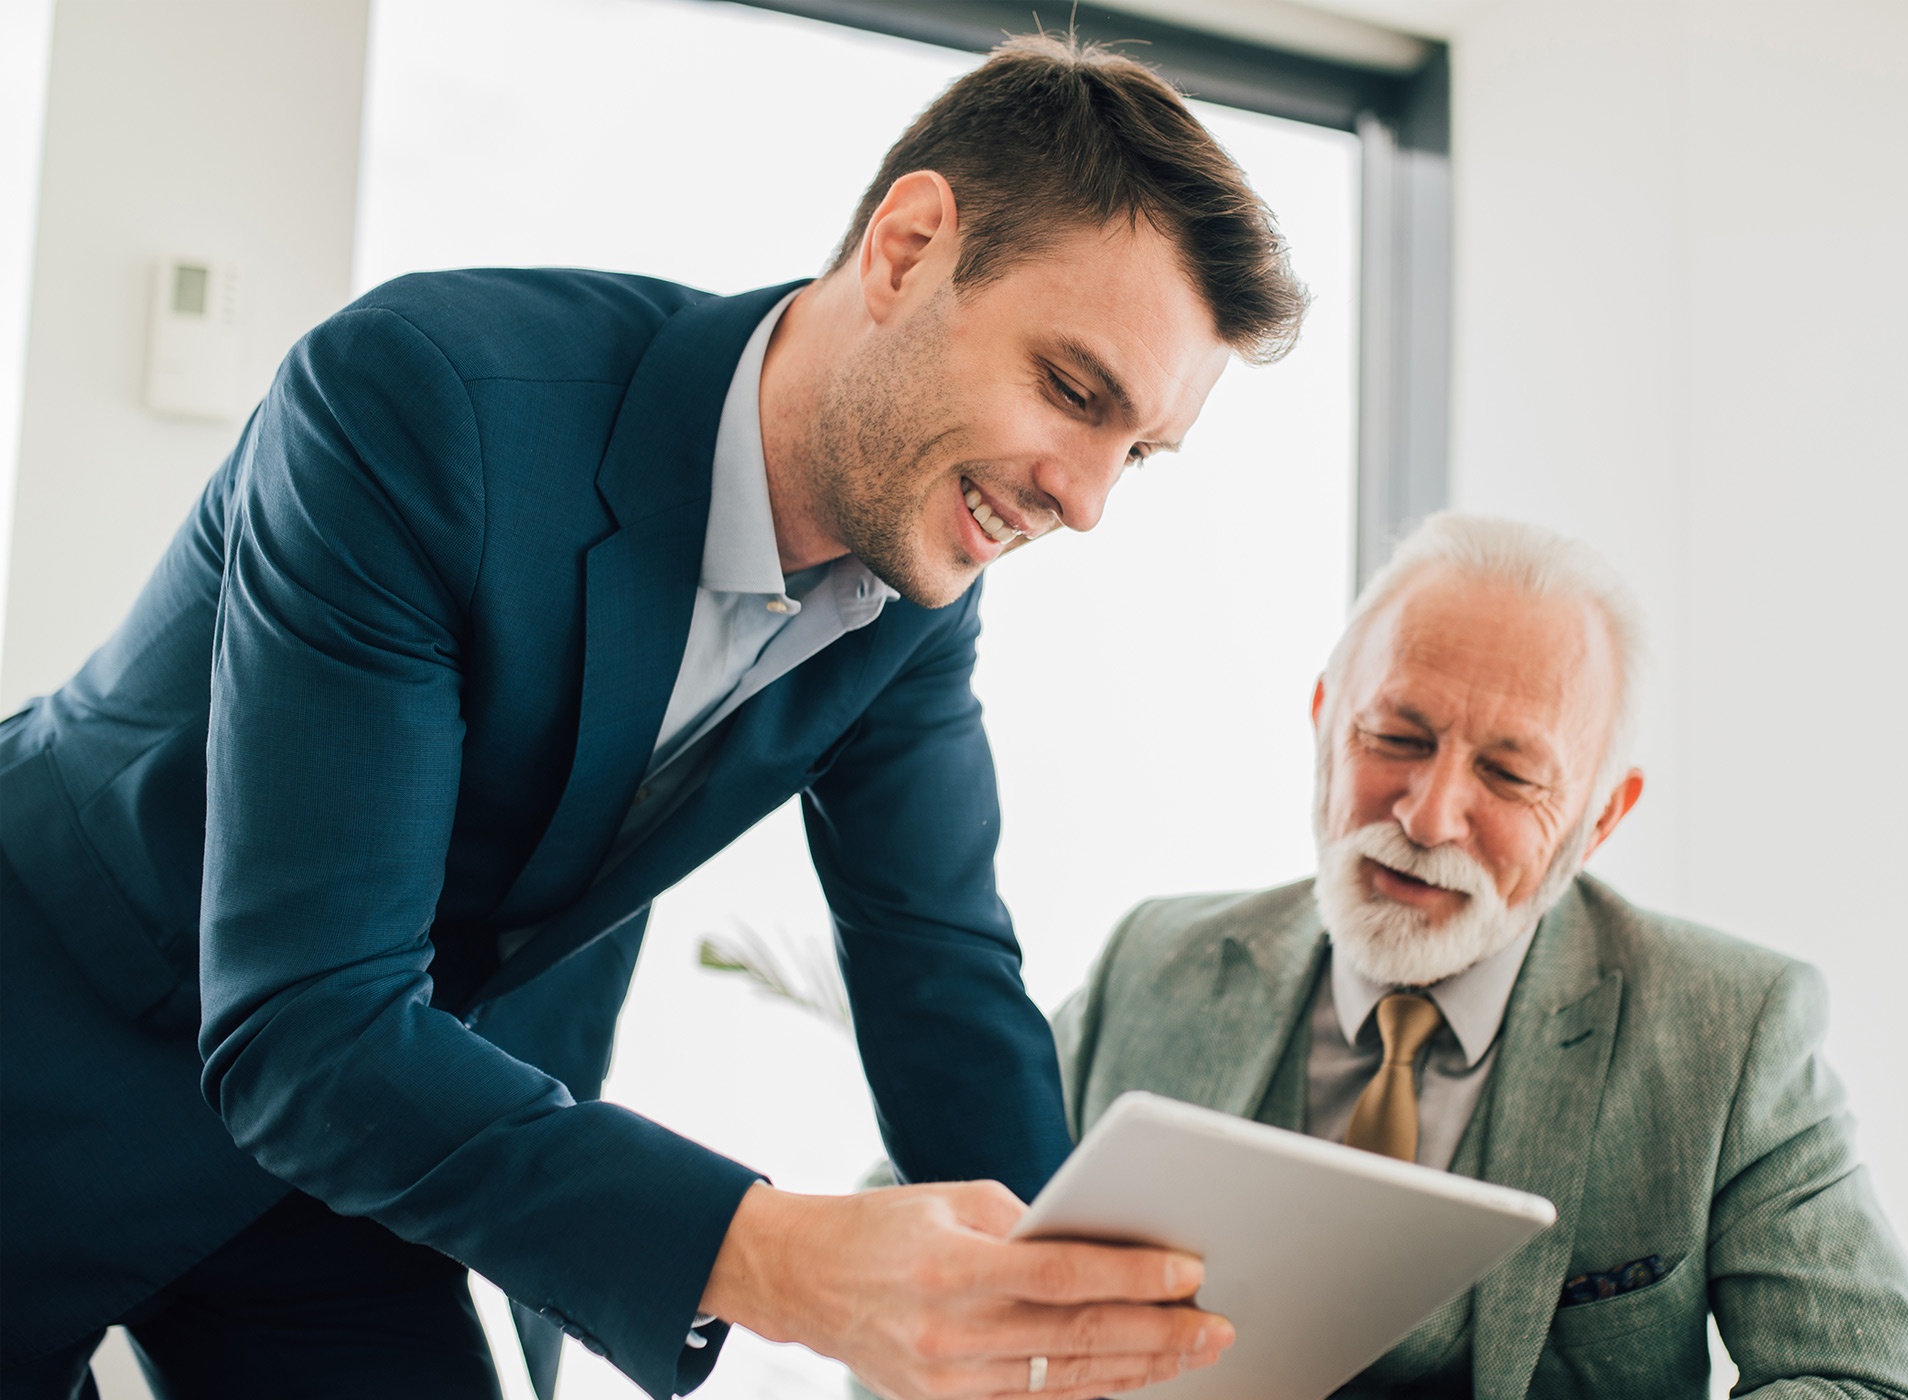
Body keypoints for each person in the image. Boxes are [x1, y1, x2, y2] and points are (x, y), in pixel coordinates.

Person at [0, 34, 1307, 1400]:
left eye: (1136, 453)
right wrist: (784, 1255)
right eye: (1073, 391)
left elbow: (939, 971)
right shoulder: (421, 399)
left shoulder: (914, 585)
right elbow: (307, 1022)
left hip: (359, 1157)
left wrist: (1078, 1322)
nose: (1086, 500)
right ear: (909, 246)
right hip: (63, 1055)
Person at [1054, 514, 1908, 1396]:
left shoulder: (1732, 1031)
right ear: (1325, 722)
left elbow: (1874, 1384)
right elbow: (932, 1206)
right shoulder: (1152, 964)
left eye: (1511, 776)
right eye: (1397, 738)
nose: (1429, 816)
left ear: (1599, 820)